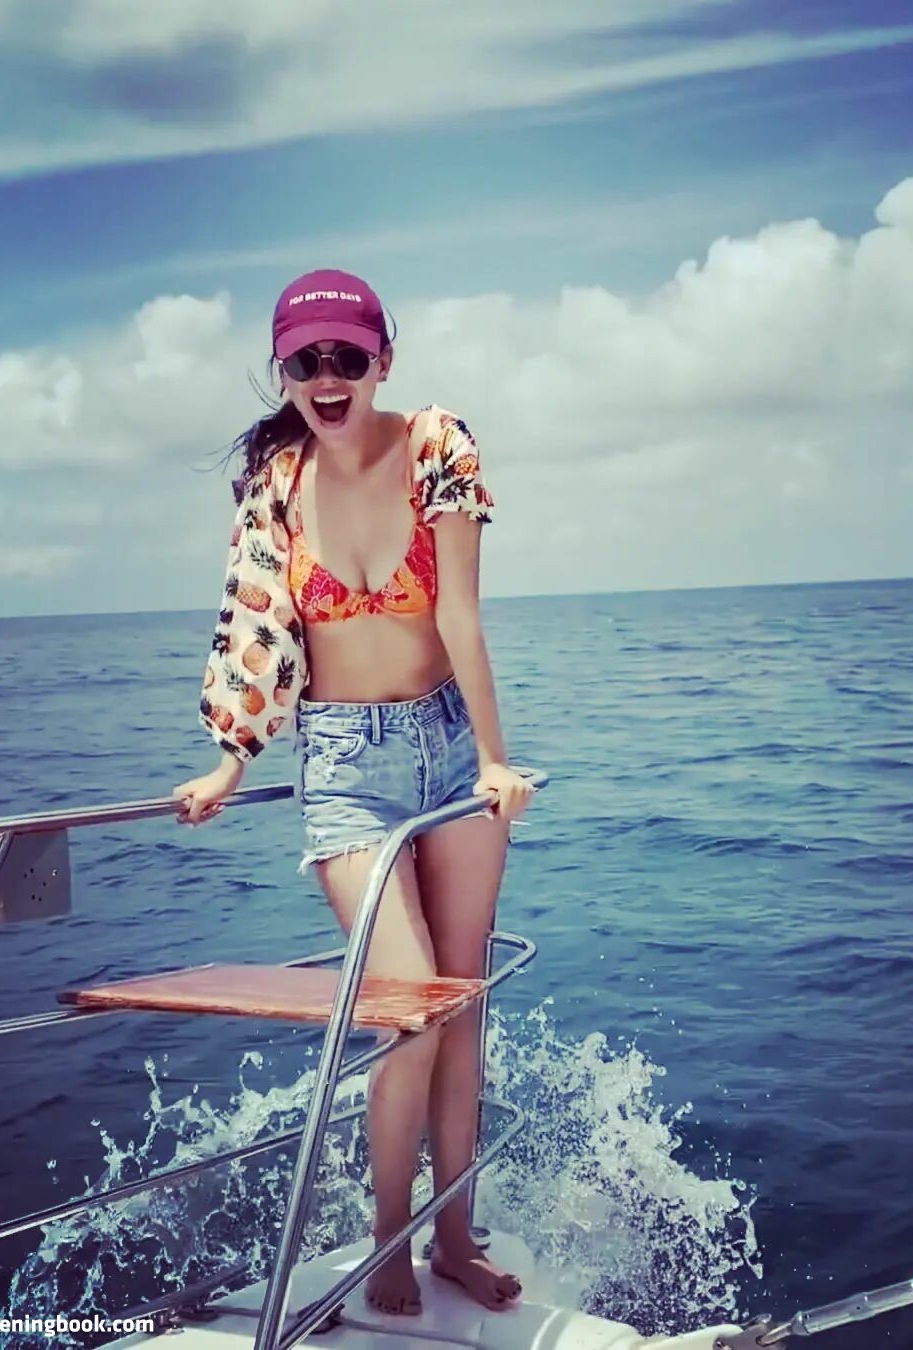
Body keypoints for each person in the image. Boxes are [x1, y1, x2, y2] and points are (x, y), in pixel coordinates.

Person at [173, 269, 535, 1316]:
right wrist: (232, 761)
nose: (327, 377)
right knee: (408, 1012)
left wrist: (494, 759)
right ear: (284, 371)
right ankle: (388, 1242)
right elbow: (255, 632)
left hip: (449, 748)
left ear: (384, 360)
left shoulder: (437, 444)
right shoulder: (277, 484)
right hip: (343, 768)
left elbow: (460, 616)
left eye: (347, 356)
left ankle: (453, 1240)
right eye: (305, 360)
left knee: (460, 1009)